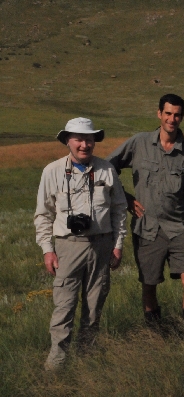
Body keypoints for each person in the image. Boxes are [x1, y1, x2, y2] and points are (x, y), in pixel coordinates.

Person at [34, 117, 127, 371]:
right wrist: (47, 250)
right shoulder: (51, 171)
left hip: (102, 245)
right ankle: (56, 366)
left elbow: (119, 210)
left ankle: (87, 363)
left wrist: (118, 245)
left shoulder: (107, 170)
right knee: (63, 308)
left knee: (94, 308)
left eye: (89, 139)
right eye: (78, 139)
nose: (84, 144)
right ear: (67, 141)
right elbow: (43, 215)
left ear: (95, 140)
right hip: (67, 246)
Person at [107, 94, 184, 324]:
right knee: (149, 284)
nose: (172, 119)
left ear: (182, 117)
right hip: (147, 226)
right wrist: (125, 197)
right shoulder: (139, 142)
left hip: (179, 227)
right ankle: (155, 333)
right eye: (168, 113)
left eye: (177, 115)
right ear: (159, 113)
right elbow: (108, 166)